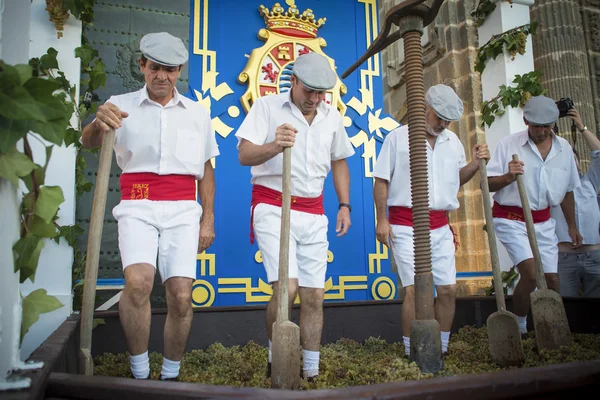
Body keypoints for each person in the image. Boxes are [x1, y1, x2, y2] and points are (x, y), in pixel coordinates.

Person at [81, 32, 219, 380]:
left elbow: (206, 170)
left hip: (184, 209)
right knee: (139, 282)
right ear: (142, 65)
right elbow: (89, 143)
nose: (163, 76)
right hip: (137, 205)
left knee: (181, 295)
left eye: (171, 70)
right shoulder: (119, 104)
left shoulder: (197, 114)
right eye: (155, 67)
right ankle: (140, 372)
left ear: (180, 71)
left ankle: (170, 375)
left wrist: (208, 220)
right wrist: (98, 121)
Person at [235, 52, 355, 381]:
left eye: (321, 94)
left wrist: (344, 205)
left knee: (315, 293)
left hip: (314, 211)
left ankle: (312, 370)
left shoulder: (332, 117)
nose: (315, 99)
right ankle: (279, 358)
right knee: (286, 288)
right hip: (273, 205)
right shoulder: (266, 107)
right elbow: (244, 153)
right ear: (295, 81)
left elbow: (340, 161)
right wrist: (275, 145)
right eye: (310, 92)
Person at [372, 84, 490, 357]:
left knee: (447, 289)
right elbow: (381, 180)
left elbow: (455, 179)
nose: (444, 124)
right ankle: (411, 350)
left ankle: (442, 348)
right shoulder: (398, 138)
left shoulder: (453, 142)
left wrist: (474, 163)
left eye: (448, 120)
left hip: (440, 226)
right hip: (405, 224)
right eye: (440, 117)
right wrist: (382, 219)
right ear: (424, 108)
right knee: (414, 290)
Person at [486, 95, 582, 336]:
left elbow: (568, 190)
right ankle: (519, 328)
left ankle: (549, 329)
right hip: (510, 218)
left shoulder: (564, 149)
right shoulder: (509, 145)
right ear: (526, 120)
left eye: (547, 126)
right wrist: (508, 176)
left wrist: (572, 226)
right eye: (537, 126)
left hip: (543, 221)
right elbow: (486, 184)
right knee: (530, 273)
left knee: (551, 281)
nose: (541, 131)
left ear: (553, 124)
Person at [551, 107, 600, 297]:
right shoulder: (551, 187)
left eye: (573, 159)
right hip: (564, 258)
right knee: (567, 307)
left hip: (594, 256)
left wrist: (581, 127)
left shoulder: (590, 182)